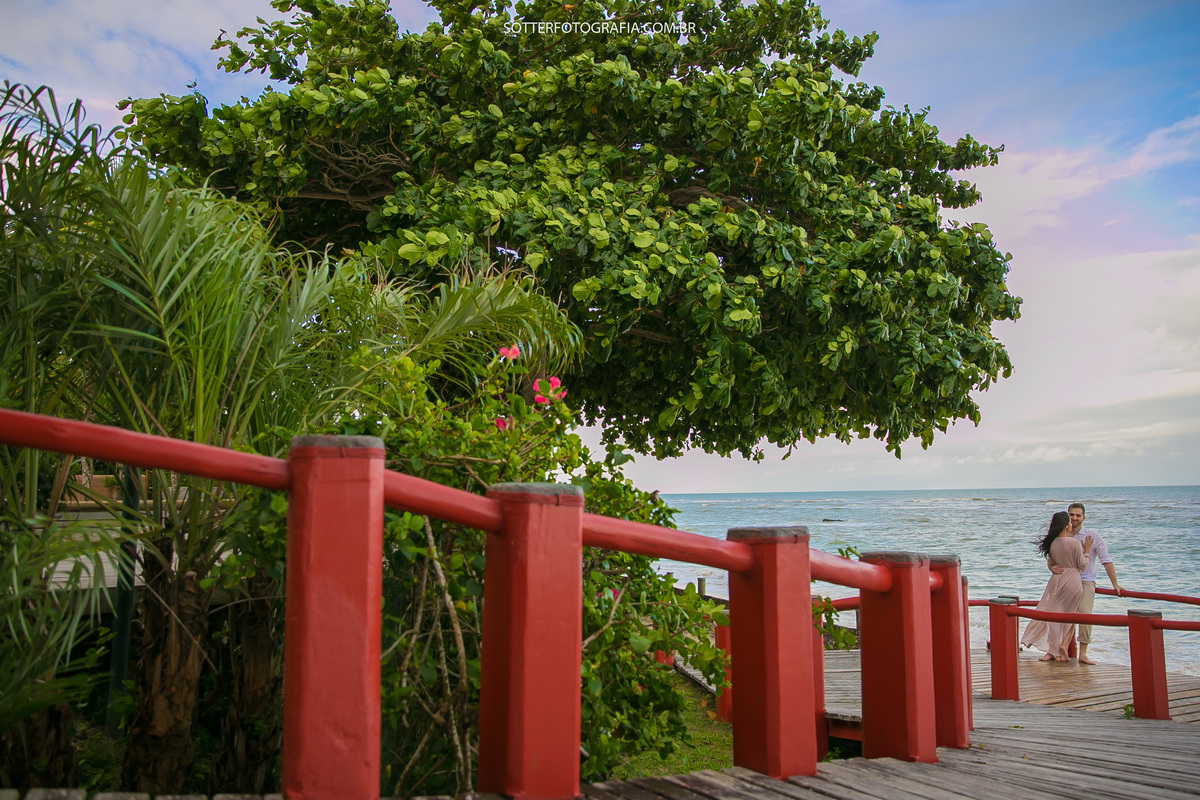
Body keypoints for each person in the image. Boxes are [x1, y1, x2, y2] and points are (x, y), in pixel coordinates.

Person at [1050, 502, 1121, 664]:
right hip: (1065, 581)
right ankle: (1055, 649)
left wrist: (1115, 584)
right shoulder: (1062, 535)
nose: (1074, 518)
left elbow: (1106, 560)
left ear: (1084, 517)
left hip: (1085, 581)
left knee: (1084, 614)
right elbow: (1052, 558)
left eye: (1078, 515)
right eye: (1071, 515)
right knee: (1060, 614)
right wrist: (1053, 568)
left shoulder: (1092, 536)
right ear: (1067, 516)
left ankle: (1082, 653)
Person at [1021, 511, 1090, 662]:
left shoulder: (1051, 543)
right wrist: (1087, 552)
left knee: (1052, 614)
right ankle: (1061, 648)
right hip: (1072, 579)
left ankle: (1052, 651)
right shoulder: (1074, 543)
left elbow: (1051, 563)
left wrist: (1052, 568)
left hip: (1056, 579)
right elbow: (1082, 565)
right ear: (1067, 525)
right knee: (1070, 615)